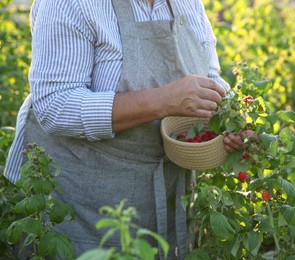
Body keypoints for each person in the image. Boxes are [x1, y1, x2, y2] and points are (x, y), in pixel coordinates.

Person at [4, 0, 244, 259]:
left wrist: (231, 118)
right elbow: (55, 104)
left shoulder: (187, 3)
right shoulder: (71, 4)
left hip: (163, 187)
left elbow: (209, 75)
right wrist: (162, 100)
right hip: (81, 194)